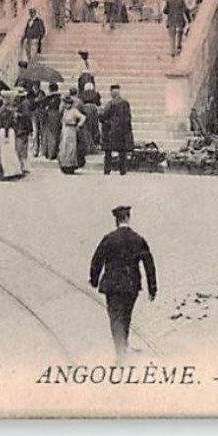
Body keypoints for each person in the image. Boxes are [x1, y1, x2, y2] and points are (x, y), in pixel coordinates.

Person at [88, 205, 157, 359]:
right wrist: (152, 287)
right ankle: (123, 346)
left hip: (112, 286)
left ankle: (120, 351)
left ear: (116, 220)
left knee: (115, 318)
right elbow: (149, 264)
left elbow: (97, 259)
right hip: (131, 285)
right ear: (128, 218)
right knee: (126, 315)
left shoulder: (109, 239)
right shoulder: (138, 239)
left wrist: (94, 279)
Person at [99, 84, 134, 175]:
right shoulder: (125, 103)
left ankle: (107, 170)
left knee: (108, 152)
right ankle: (123, 170)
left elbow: (103, 116)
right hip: (122, 131)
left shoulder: (110, 104)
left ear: (111, 93)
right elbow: (128, 118)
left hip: (111, 130)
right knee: (122, 152)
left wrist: (101, 114)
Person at [58, 96, 86, 175]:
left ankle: (70, 166)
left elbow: (83, 117)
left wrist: (79, 125)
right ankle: (64, 165)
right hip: (65, 130)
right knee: (64, 148)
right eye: (65, 103)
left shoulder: (74, 111)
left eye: (68, 103)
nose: (66, 105)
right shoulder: (65, 111)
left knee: (71, 149)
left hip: (71, 130)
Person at [40, 82, 62, 159]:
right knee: (55, 134)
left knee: (48, 134)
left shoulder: (48, 98)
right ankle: (53, 152)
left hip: (49, 115)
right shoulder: (59, 98)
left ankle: (48, 152)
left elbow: (42, 105)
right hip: (56, 115)